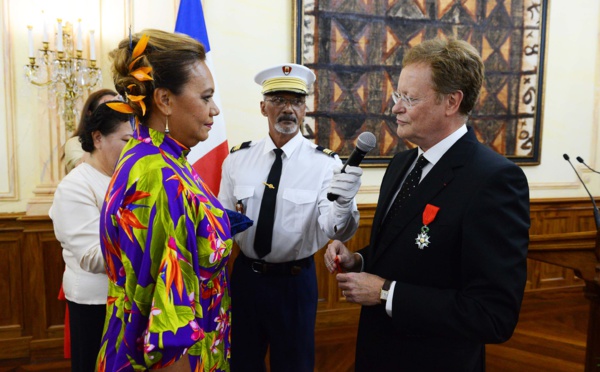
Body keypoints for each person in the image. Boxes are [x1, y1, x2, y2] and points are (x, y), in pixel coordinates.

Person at [325, 37, 530, 371]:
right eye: (397, 95)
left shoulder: (494, 180)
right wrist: (358, 260)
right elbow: (401, 251)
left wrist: (386, 293)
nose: (396, 108)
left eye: (409, 98)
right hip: (376, 354)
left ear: (451, 102)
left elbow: (493, 314)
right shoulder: (401, 164)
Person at [98, 30, 231, 371]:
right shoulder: (161, 176)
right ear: (164, 100)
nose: (215, 109)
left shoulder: (157, 157)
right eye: (206, 97)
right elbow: (168, 323)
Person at [218, 63, 362, 372]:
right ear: (263, 107)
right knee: (241, 363)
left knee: (293, 365)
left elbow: (335, 228)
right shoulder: (237, 160)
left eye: (296, 100)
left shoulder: (325, 165)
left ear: (305, 107)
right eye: (278, 100)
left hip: (294, 284)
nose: (288, 109)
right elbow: (221, 223)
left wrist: (345, 204)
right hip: (246, 279)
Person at [50, 102, 133, 372]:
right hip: (95, 303)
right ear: (97, 138)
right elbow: (92, 257)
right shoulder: (76, 185)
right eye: (126, 140)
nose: (134, 149)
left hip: (131, 298)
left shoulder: (129, 178)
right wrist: (149, 239)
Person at [63, 89, 118, 173]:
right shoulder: (74, 143)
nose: (112, 110)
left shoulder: (122, 139)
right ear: (90, 113)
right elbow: (81, 169)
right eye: (106, 105)